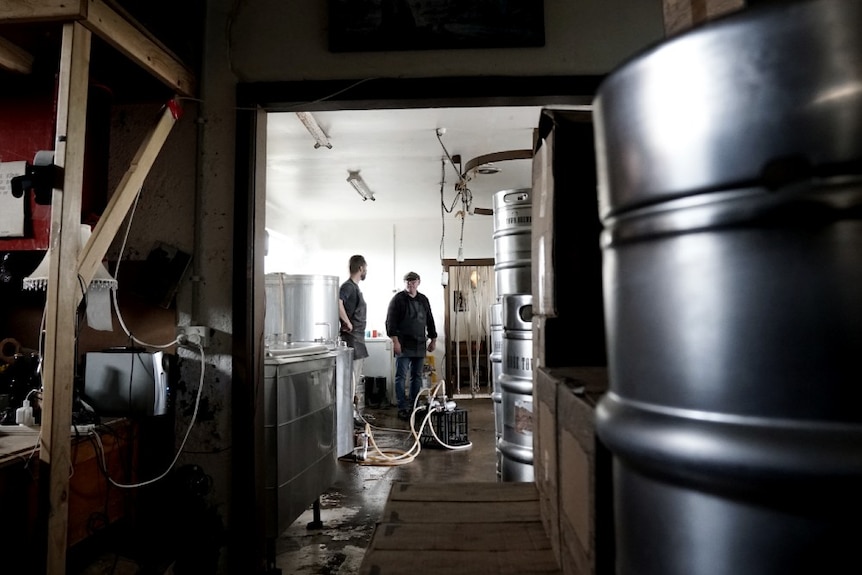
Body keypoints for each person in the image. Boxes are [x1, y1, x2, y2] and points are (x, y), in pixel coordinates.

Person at [385, 271, 437, 420]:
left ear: (418, 282)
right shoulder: (398, 300)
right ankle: (402, 407)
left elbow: (430, 320)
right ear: (405, 283)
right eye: (408, 281)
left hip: (420, 344)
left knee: (417, 376)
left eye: (413, 281)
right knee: (401, 376)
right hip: (403, 344)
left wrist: (433, 339)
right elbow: (390, 322)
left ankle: (415, 406)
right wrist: (395, 341)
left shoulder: (423, 300)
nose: (410, 284)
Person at [339, 255, 368, 411]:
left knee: (354, 381)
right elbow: (338, 301)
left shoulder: (354, 287)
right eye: (366, 268)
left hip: (357, 340)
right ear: (361, 268)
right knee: (350, 381)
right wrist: (347, 322)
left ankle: (351, 415)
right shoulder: (348, 287)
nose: (366, 271)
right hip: (352, 340)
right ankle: (348, 417)